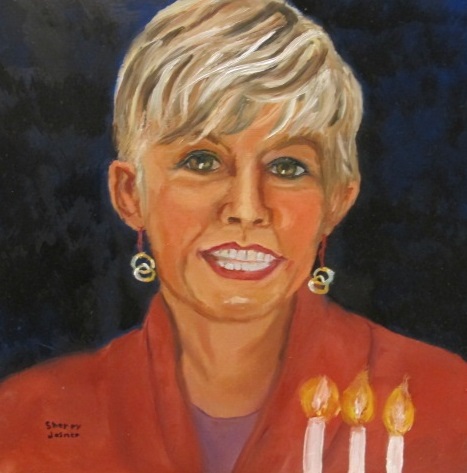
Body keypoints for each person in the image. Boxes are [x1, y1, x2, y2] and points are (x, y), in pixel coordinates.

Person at [0, 0, 465, 472]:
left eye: (288, 167)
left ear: (336, 202)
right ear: (129, 194)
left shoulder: (449, 404)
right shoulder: (24, 421)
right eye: (201, 161)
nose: (246, 209)